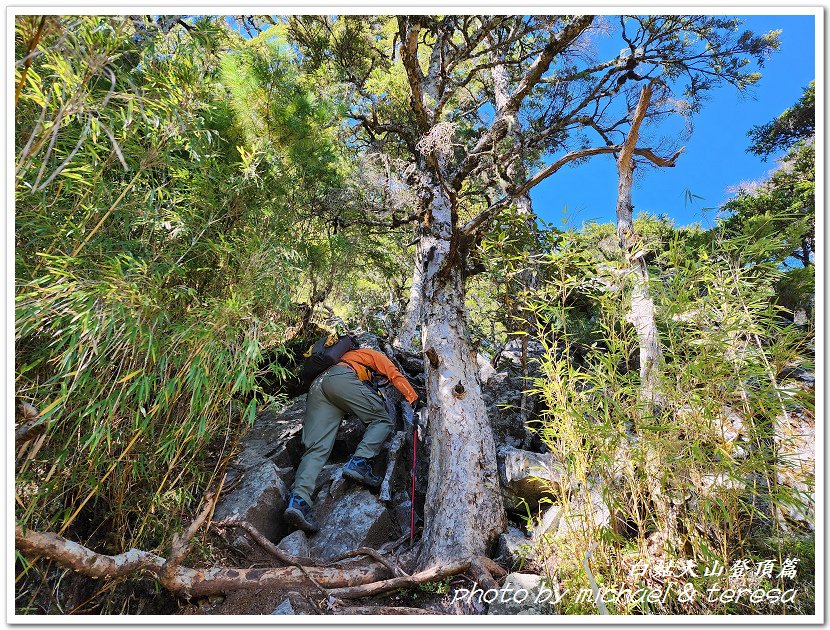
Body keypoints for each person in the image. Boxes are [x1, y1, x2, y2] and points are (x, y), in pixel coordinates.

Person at [284, 344, 421, 533]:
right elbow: (393, 373)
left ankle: (298, 502)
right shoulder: (373, 354)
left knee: (316, 448)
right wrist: (413, 399)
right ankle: (359, 462)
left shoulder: (345, 357)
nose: (378, 381)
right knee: (382, 419)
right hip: (340, 380)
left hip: (318, 386)